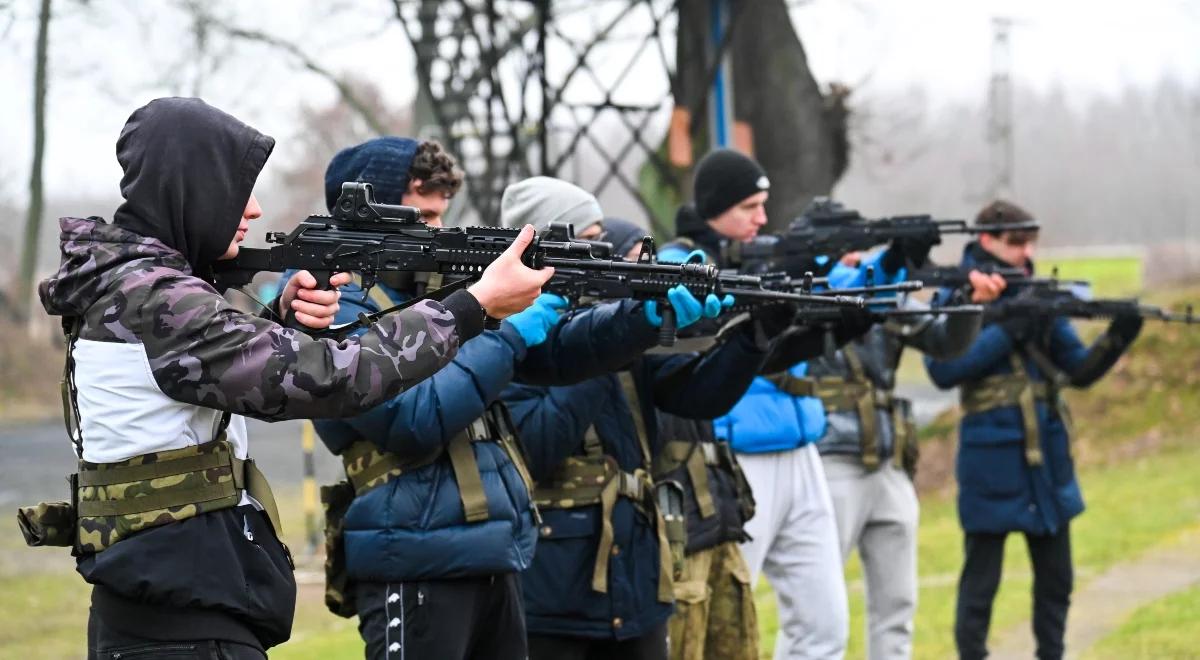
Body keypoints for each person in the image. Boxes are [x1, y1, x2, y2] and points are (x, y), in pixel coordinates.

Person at [30, 97, 546, 660]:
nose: (252, 209)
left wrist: (279, 321)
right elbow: (330, 378)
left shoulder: (134, 285)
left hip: (166, 610)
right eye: (237, 186)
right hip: (180, 627)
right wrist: (474, 307)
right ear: (194, 188)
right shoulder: (157, 298)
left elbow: (194, 383)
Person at [312, 164, 699, 660]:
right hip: (412, 556)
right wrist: (508, 326)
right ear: (369, 212)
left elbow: (559, 354)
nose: (437, 231)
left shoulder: (444, 292)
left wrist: (642, 320)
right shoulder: (331, 302)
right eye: (423, 216)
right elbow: (412, 421)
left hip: (495, 547)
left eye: (440, 216)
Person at [502, 206, 791, 660]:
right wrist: (602, 351)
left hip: (636, 584)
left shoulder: (627, 340)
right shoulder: (516, 335)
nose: (647, 280)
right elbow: (538, 443)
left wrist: (754, 338)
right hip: (553, 593)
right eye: (634, 266)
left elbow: (699, 396)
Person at [658, 150, 873, 660]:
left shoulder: (764, 254)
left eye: (764, 204)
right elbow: (706, 347)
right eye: (748, 206)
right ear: (715, 207)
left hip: (801, 450)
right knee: (725, 620)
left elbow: (789, 339)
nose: (761, 217)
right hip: (735, 457)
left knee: (826, 625)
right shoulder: (680, 261)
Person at [924, 200, 1144, 660]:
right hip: (990, 457)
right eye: (1015, 242)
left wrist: (1119, 334)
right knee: (980, 585)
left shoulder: (1037, 293)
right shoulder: (958, 291)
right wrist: (1009, 329)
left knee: (1057, 580)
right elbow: (944, 369)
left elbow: (1079, 371)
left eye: (1030, 242)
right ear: (986, 240)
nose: (1025, 252)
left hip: (1047, 455)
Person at [807, 243, 1000, 660]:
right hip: (830, 458)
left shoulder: (885, 295)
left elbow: (946, 343)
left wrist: (966, 302)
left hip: (889, 461)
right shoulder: (803, 293)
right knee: (816, 613)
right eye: (848, 252)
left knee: (897, 606)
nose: (859, 261)